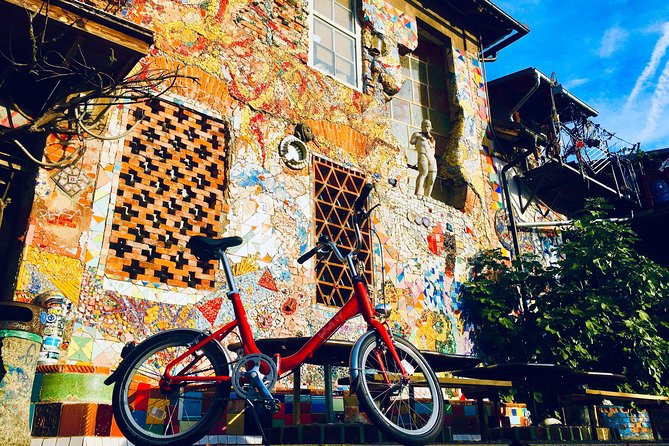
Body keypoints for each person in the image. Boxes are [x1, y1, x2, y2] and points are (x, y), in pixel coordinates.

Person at [410, 119, 437, 197]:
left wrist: (429, 137)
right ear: (421, 127)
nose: (426, 128)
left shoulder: (432, 139)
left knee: (432, 178)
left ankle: (427, 196)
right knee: (423, 173)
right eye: (424, 126)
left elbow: (433, 148)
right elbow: (412, 141)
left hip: (432, 158)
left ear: (430, 128)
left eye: (428, 126)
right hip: (423, 155)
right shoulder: (417, 135)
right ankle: (418, 193)